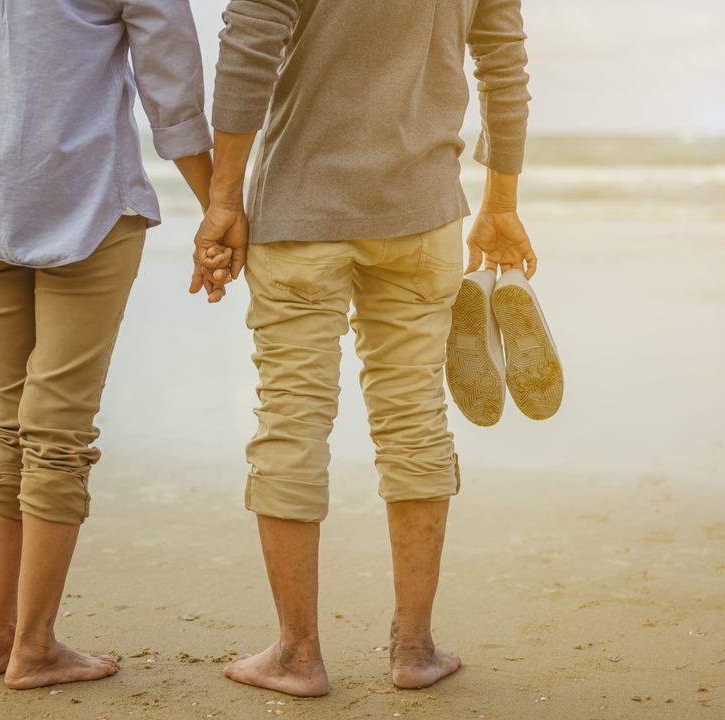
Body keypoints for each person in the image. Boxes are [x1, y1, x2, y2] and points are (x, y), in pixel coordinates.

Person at [193, 0, 537, 697]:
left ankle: (297, 655)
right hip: (423, 211)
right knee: (415, 422)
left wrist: (222, 199)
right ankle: (414, 649)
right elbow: (503, 63)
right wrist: (501, 201)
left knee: (291, 420)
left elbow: (249, 41)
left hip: (300, 208)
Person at [0, 0, 216, 690]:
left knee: (13, 417)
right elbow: (171, 87)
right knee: (57, 433)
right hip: (83, 201)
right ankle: (35, 648)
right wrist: (219, 209)